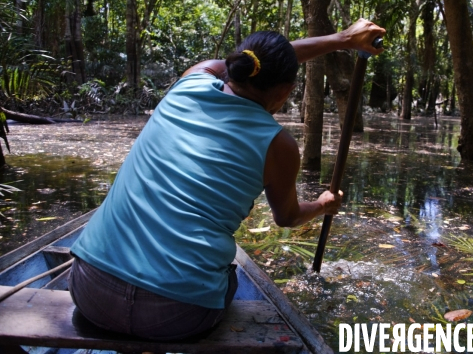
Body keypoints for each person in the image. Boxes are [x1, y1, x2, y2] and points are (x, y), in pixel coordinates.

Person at [68, 18, 386, 341]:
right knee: (228, 277)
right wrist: (321, 205)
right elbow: (288, 216)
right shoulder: (279, 145)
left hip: (90, 290)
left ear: (239, 64)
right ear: (287, 91)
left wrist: (343, 39)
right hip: (177, 313)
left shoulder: (195, 77)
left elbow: (267, 62)